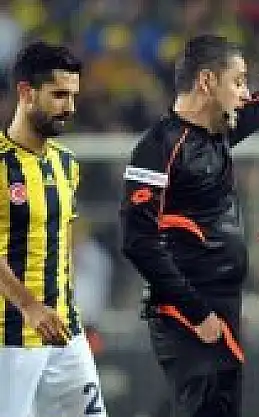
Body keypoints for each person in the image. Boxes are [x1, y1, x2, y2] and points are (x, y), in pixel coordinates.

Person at [119, 1, 259, 416]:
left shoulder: (220, 133)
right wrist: (197, 311)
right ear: (207, 81)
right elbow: (137, 241)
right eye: (238, 81)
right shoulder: (158, 148)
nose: (246, 93)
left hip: (223, 306)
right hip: (186, 312)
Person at [0, 41, 107, 417]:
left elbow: (60, 245)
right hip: (9, 337)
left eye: (73, 96)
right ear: (26, 93)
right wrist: (29, 306)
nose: (70, 107)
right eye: (59, 95)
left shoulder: (67, 164)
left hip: (64, 334)